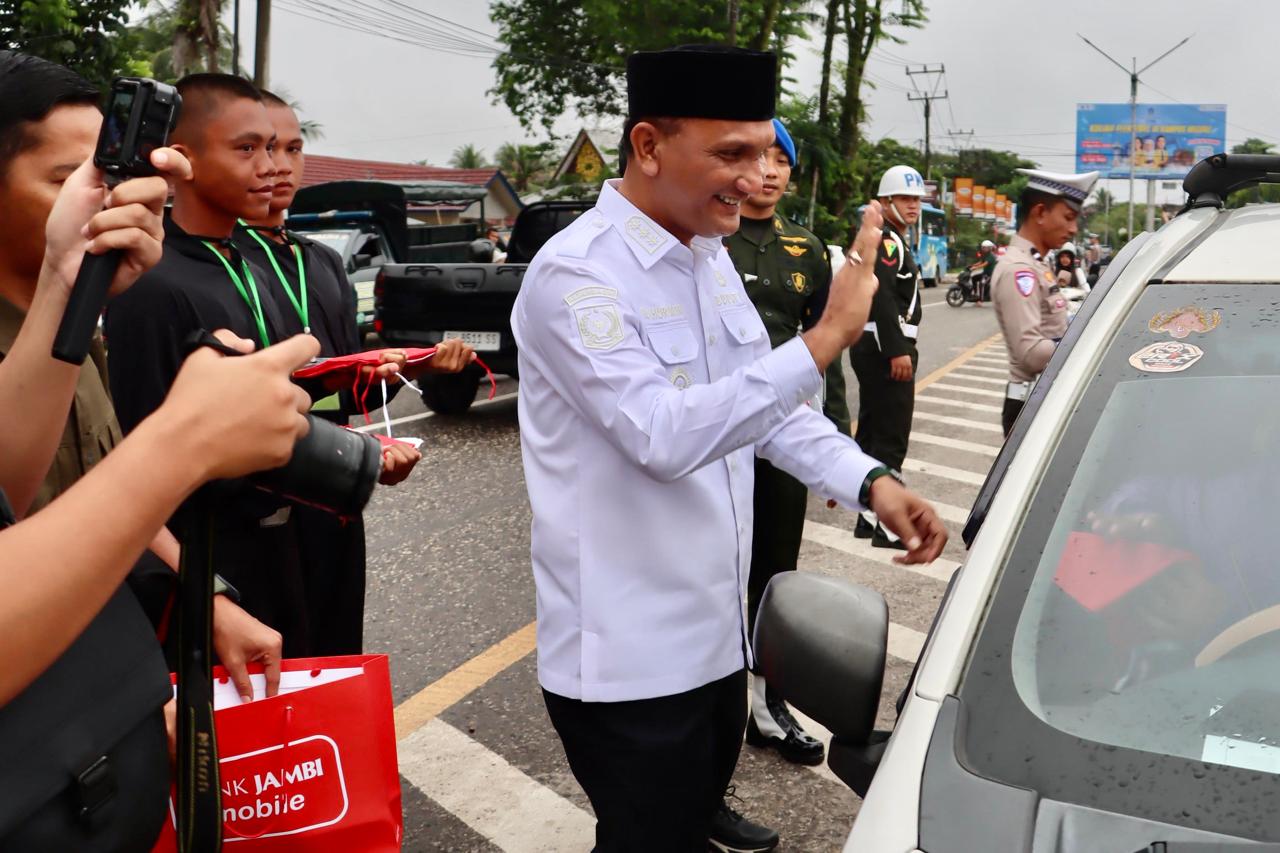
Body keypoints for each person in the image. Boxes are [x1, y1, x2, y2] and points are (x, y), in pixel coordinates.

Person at [512, 44, 947, 853]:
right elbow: (662, 434)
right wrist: (824, 338)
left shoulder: (708, 260)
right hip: (628, 662)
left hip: (716, 646)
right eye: (732, 154)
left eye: (765, 152)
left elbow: (767, 411)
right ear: (648, 146)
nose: (755, 178)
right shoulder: (576, 276)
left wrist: (871, 482)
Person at [0, 59, 317, 846]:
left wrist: (63, 284)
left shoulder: (76, 320)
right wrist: (185, 441)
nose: (105, 201)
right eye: (68, 181)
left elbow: (16, 486)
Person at [104, 74, 382, 658]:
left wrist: (349, 459)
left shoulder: (253, 265)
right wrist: (203, 594)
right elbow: (135, 460)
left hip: (292, 542)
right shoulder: (151, 282)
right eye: (247, 149)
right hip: (213, 563)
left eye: (277, 148)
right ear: (181, 160)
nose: (271, 167)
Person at [233, 89, 474, 655]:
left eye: (292, 149)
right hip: (254, 508)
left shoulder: (320, 261)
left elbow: (353, 396)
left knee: (335, 654)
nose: (279, 165)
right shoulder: (218, 261)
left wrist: (419, 369)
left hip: (333, 494)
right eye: (263, 148)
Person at [723, 117, 848, 768]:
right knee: (716, 570)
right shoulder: (706, 239)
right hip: (715, 432)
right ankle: (714, 706)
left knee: (776, 573)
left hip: (786, 432)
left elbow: (827, 349)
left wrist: (838, 443)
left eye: (781, 161)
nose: (769, 171)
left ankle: (769, 706)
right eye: (759, 157)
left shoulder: (809, 249)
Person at [851, 164, 926, 549]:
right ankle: (890, 527)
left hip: (873, 344)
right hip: (885, 347)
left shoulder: (892, 238)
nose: (913, 205)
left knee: (872, 434)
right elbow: (879, 294)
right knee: (892, 437)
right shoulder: (889, 240)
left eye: (917, 199)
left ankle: (867, 517)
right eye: (905, 198)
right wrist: (897, 350)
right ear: (886, 201)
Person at [991, 168, 1098, 436]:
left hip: (1043, 398)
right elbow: (1030, 354)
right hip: (1029, 404)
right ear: (1039, 213)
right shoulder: (1019, 270)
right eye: (1068, 218)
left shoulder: (1037, 263)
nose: (1073, 229)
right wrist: (1088, 341)